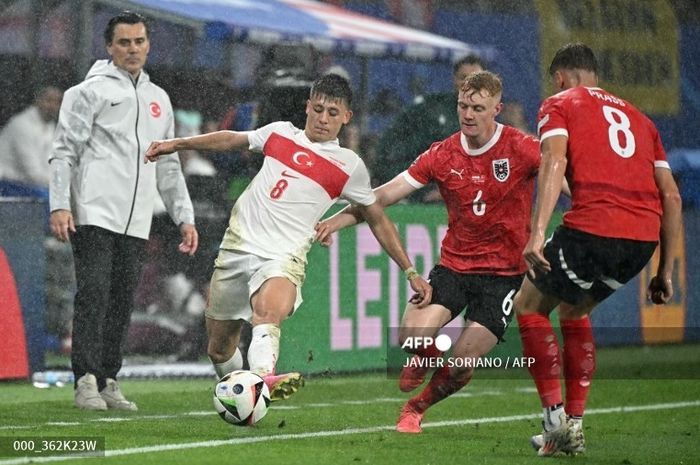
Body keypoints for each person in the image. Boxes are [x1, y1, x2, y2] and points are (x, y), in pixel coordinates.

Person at [144, 73, 432, 401]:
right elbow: (232, 139)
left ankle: (264, 378)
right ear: (307, 107)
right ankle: (247, 396)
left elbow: (377, 218)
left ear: (346, 118)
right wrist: (178, 144)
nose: (323, 118)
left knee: (267, 313)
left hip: (284, 254)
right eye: (319, 109)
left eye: (333, 113)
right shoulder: (279, 133)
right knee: (219, 349)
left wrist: (410, 270)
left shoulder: (349, 166)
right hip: (237, 246)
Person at [316, 71, 569, 433]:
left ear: (496, 109)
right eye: (463, 105)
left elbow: (560, 176)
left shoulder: (521, 147)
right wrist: (336, 222)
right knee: (409, 337)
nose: (467, 114)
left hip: (503, 277)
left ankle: (416, 408)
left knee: (463, 363)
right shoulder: (442, 154)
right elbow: (383, 196)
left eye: (478, 108)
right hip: (454, 268)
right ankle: (426, 354)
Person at [512, 43, 682, 456]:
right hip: (640, 243)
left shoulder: (559, 103)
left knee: (529, 306)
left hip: (593, 228)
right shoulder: (642, 120)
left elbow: (552, 162)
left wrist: (537, 233)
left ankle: (555, 422)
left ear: (560, 78)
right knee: (574, 309)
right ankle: (574, 427)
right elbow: (672, 197)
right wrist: (665, 272)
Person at [48, 11, 199, 411]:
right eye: (124, 43)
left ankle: (108, 379)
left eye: (139, 41)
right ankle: (83, 380)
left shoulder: (159, 100)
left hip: (137, 219)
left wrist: (184, 216)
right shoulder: (86, 92)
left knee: (122, 300)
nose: (133, 49)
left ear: (148, 44)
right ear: (109, 47)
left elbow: (169, 164)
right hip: (94, 212)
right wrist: (61, 204)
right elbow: (63, 153)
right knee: (94, 295)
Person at [373, 55, 484, 192]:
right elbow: (391, 143)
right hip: (424, 191)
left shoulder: (491, 117)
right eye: (464, 78)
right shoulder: (431, 108)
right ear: (454, 80)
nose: (470, 84)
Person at [0, 86, 63, 191]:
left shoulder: (49, 126)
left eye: (57, 102)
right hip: (7, 184)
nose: (52, 106)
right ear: (37, 101)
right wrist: (60, 184)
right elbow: (32, 173)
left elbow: (49, 163)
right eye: (48, 100)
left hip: (29, 185)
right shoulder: (22, 125)